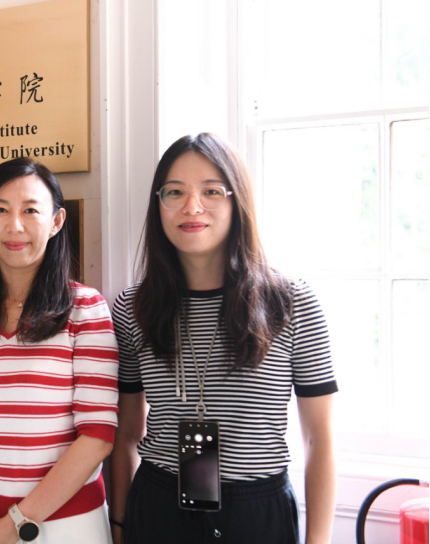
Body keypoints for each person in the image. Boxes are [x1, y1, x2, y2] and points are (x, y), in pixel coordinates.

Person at [109, 134, 338, 544]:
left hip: (256, 512)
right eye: (174, 192)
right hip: (158, 508)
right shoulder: (133, 307)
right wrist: (120, 525)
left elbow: (318, 438)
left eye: (211, 191)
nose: (191, 206)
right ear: (158, 203)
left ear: (238, 201)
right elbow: (126, 433)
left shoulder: (291, 302)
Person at [0, 158, 119, 544]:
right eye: (0, 210)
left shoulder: (85, 309)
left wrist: (12, 525)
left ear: (56, 221)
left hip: (68, 527)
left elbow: (98, 434)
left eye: (30, 210)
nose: (15, 225)